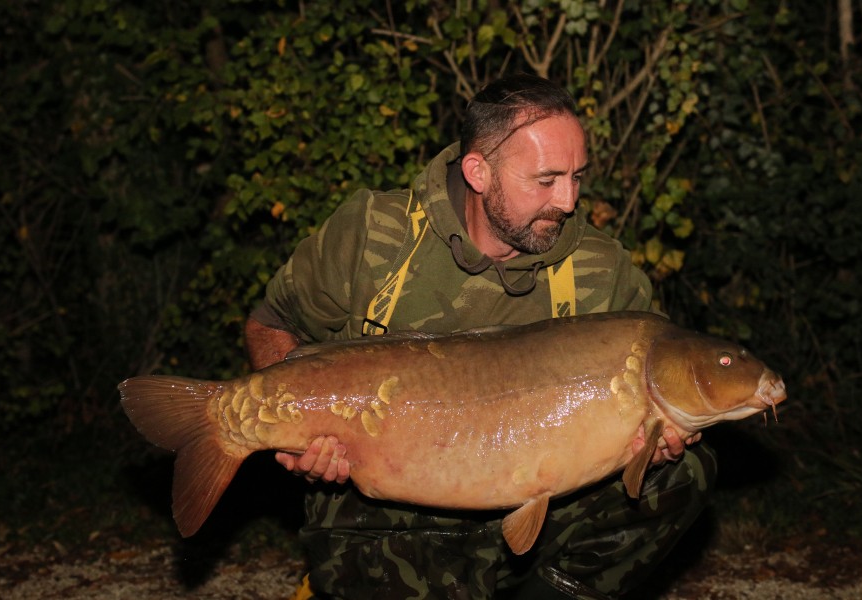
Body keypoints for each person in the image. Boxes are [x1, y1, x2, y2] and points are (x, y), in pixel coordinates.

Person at [244, 73, 715, 600]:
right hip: (385, 502)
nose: (568, 200)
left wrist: (657, 442)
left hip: (537, 507)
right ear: (478, 171)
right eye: (546, 179)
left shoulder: (600, 269)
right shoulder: (376, 232)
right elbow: (271, 323)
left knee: (685, 473)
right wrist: (290, 426)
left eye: (578, 176)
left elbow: (659, 388)